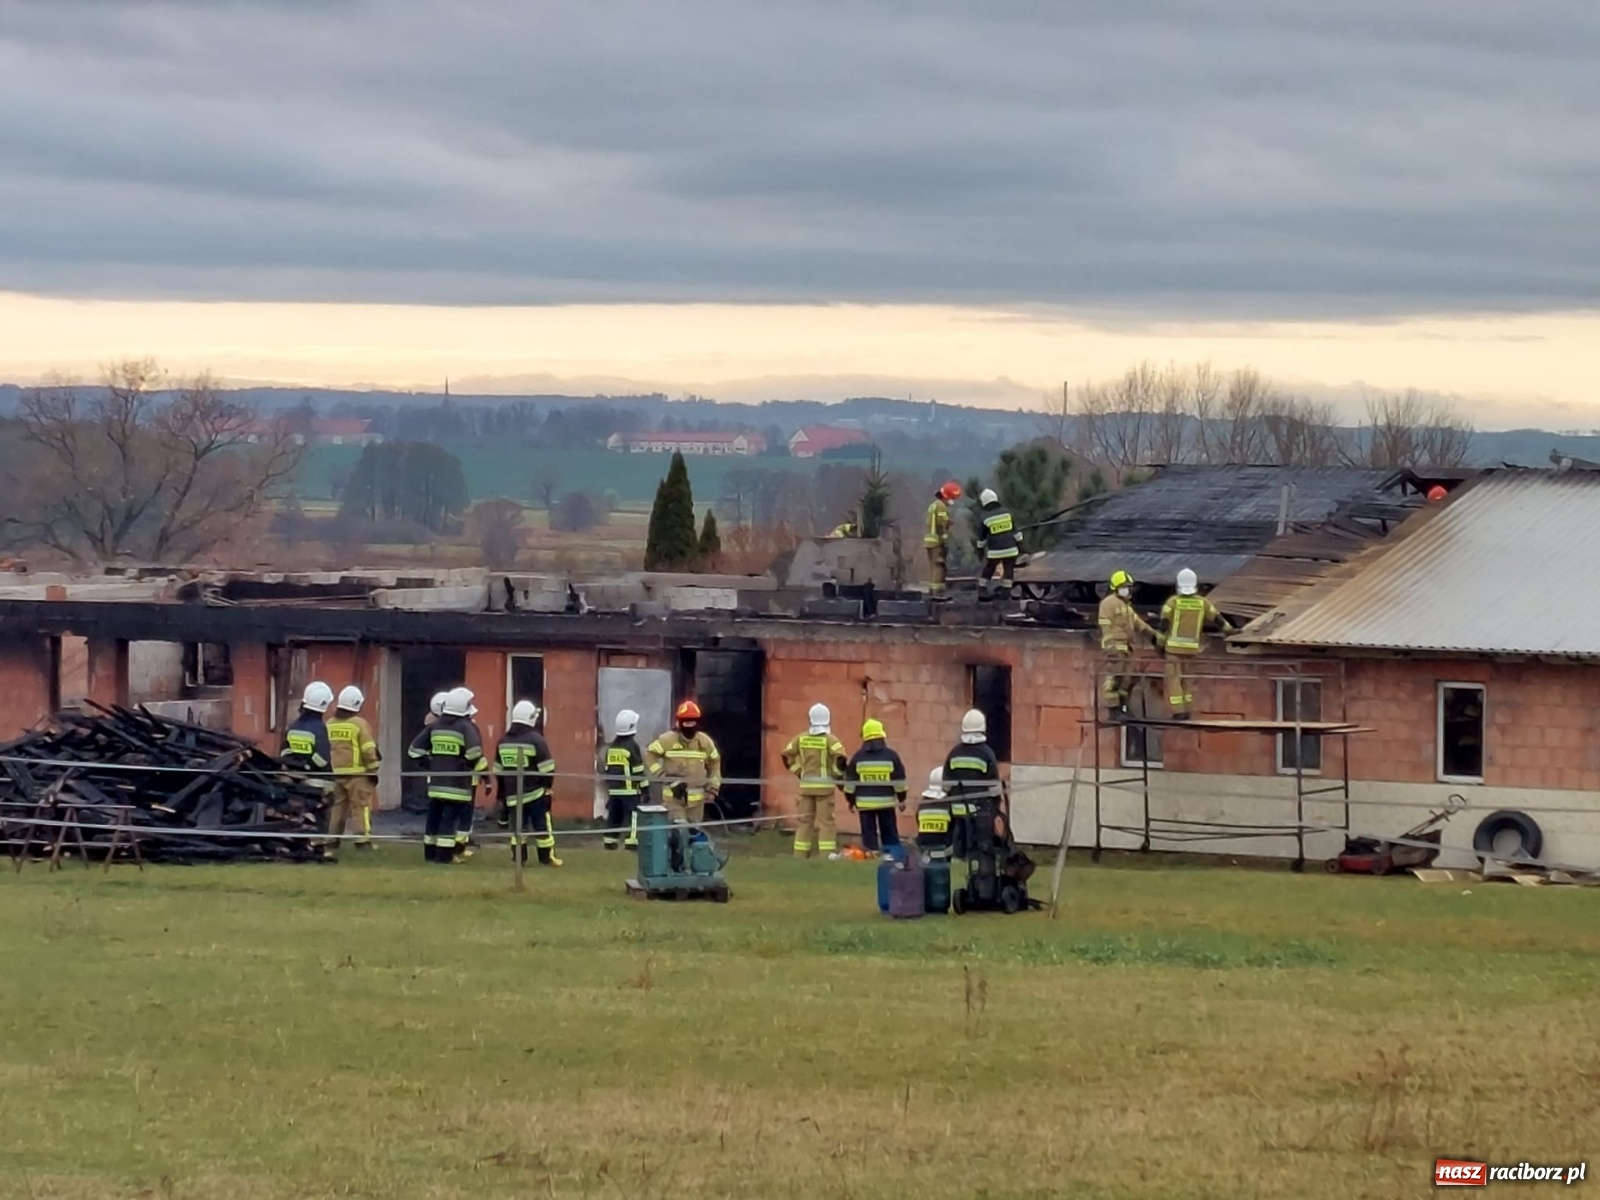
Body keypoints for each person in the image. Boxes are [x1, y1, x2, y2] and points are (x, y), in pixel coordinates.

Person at [408, 686, 486, 864]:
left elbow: (413, 751)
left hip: (436, 784)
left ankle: (430, 854)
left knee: (433, 818)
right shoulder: (466, 727)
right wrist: (466, 765)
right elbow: (474, 753)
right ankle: (444, 857)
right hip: (457, 785)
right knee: (448, 821)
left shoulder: (434, 727)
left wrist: (430, 764)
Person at [1158, 567, 1236, 720]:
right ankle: (1188, 710)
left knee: (1173, 680)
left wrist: (1159, 645)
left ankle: (1179, 711)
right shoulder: (1203, 603)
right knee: (1187, 679)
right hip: (1192, 650)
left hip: (1173, 649)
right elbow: (1218, 620)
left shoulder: (1172, 603)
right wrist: (1231, 631)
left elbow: (1163, 626)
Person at [497, 700, 559, 866]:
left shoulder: (503, 741)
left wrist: (503, 795)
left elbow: (498, 772)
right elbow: (548, 767)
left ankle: (519, 859)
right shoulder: (536, 739)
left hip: (512, 796)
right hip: (535, 794)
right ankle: (546, 858)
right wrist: (547, 786)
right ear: (531, 718)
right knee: (542, 828)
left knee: (518, 829)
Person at [781, 702, 847, 860]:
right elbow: (841, 760)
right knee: (826, 823)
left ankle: (800, 855)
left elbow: (786, 756)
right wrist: (837, 777)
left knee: (804, 822)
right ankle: (826, 856)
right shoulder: (830, 740)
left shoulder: (800, 739)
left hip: (806, 788)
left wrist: (799, 772)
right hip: (825, 789)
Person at [646, 700, 722, 825]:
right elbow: (649, 755)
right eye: (686, 722)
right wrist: (660, 774)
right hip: (673, 800)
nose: (689, 726)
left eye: (692, 722)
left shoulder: (705, 742)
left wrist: (713, 789)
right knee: (679, 833)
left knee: (694, 835)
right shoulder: (667, 740)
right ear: (679, 722)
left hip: (697, 804)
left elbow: (715, 764)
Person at [281, 682, 335, 857]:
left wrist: (297, 764)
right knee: (321, 815)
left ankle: (300, 843)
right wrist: (310, 762)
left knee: (300, 812)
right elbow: (323, 759)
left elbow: (285, 751)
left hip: (296, 779)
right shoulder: (319, 728)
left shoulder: (294, 726)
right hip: (319, 779)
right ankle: (318, 847)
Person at [326, 685, 380, 858]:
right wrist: (373, 769)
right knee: (361, 807)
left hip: (336, 773)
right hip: (358, 773)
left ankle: (332, 840)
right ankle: (362, 841)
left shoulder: (330, 724)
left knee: (338, 808)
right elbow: (368, 749)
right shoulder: (359, 724)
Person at [942, 708, 1002, 859]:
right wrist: (994, 808)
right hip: (979, 813)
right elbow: (994, 789)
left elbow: (945, 786)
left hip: (957, 812)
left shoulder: (954, 753)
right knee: (981, 851)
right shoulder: (987, 753)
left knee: (960, 850)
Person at [1098, 569, 1157, 721]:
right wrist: (1110, 647)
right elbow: (1105, 625)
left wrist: (1155, 637)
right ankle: (1113, 710)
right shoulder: (1108, 604)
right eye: (1124, 587)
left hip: (1126, 648)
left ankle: (1121, 708)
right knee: (1114, 678)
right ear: (1116, 587)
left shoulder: (1126, 607)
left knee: (1126, 679)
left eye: (1129, 587)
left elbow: (1140, 625)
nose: (1127, 590)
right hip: (1115, 648)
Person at [843, 718, 907, 856]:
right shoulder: (891, 756)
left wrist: (851, 801)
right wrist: (902, 799)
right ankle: (892, 855)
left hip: (865, 805)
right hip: (887, 803)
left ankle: (870, 855)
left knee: (869, 833)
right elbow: (899, 781)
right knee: (889, 832)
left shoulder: (857, 758)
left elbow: (849, 784)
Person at [600, 708, 647, 850]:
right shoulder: (632, 746)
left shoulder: (612, 747)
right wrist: (645, 789)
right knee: (633, 816)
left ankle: (610, 841)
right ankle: (632, 842)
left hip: (614, 790)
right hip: (629, 790)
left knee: (614, 816)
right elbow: (638, 770)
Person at [975, 488, 1020, 602]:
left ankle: (982, 589)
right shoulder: (1007, 512)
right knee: (1009, 569)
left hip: (995, 551)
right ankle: (1006, 592)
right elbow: (1017, 533)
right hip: (1011, 549)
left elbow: (982, 538)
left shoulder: (984, 517)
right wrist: (1022, 547)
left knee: (989, 568)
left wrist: (980, 552)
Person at [923, 480, 962, 597]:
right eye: (952, 498)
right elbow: (941, 524)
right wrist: (945, 540)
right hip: (937, 542)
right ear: (947, 496)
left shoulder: (933, 505)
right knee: (939, 567)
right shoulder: (941, 507)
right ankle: (937, 593)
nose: (952, 502)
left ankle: (932, 591)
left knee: (933, 567)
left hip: (930, 541)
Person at [915, 767, 952, 858]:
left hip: (923, 847)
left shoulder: (923, 804)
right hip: (943, 847)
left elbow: (917, 820)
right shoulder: (948, 804)